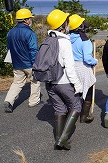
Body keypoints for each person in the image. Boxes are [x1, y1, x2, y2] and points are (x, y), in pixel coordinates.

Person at [45, 9, 83, 150]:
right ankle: (63, 139)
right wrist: (77, 85)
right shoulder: (64, 42)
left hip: (49, 82)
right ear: (63, 24)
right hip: (64, 82)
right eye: (66, 21)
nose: (68, 24)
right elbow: (70, 68)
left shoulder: (48, 39)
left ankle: (58, 140)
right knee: (76, 106)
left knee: (60, 109)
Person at [4, 8, 42, 113]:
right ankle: (34, 101)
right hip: (29, 63)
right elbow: (34, 50)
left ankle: (9, 101)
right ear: (25, 20)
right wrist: (36, 64)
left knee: (17, 83)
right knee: (35, 81)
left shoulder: (10, 32)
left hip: (17, 63)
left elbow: (9, 48)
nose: (30, 20)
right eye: (29, 18)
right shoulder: (30, 33)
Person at [68, 14, 98, 123]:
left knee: (74, 92)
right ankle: (84, 116)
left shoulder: (67, 38)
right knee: (88, 91)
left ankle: (71, 113)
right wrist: (96, 61)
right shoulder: (85, 41)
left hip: (70, 67)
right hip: (82, 68)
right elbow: (88, 59)